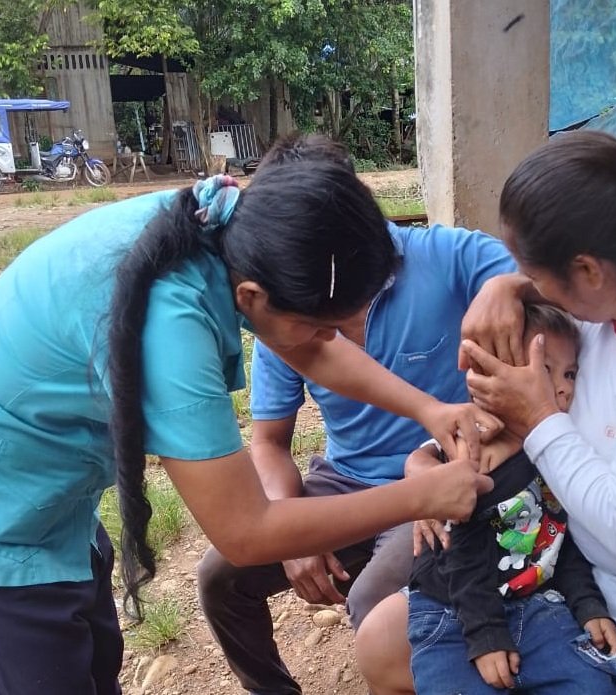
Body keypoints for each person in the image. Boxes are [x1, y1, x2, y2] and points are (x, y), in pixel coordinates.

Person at [0, 155, 498, 695]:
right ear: (252, 298)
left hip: (48, 511)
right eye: (321, 323)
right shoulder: (168, 325)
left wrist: (428, 409)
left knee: (90, 670)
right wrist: (419, 495)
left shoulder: (222, 219)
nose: (335, 341)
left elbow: (308, 346)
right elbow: (246, 532)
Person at [357, 131, 616, 695]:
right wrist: (429, 468)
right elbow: (496, 428)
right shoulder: (599, 315)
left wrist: (536, 418)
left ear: (588, 271)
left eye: (534, 274)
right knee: (381, 638)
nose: (532, 287)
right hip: (550, 576)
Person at [197, 134, 518, 695]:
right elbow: (269, 442)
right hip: (346, 483)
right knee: (219, 576)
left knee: (375, 607)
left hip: (440, 478)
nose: (325, 332)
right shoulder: (284, 297)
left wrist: (508, 286)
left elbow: (550, 276)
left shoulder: (442, 256)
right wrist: (288, 522)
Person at [407, 303, 616, 695]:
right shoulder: (476, 455)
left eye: (570, 373)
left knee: (593, 685)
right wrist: (487, 634)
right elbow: (462, 556)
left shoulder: (559, 451)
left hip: (536, 603)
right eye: (545, 370)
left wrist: (587, 605)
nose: (563, 387)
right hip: (453, 610)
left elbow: (561, 538)